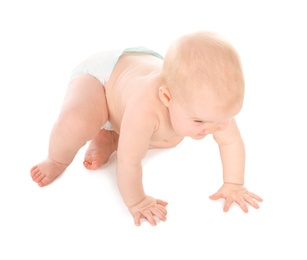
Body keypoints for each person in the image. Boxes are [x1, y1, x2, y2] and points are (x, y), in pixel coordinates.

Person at [30, 31, 263, 226]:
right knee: (78, 122)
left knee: (174, 134)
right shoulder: (145, 110)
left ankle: (112, 137)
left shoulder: (212, 106)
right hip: (102, 77)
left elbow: (231, 142)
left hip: (139, 76)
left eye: (226, 118)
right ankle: (56, 159)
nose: (214, 128)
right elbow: (129, 162)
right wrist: (137, 201)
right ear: (166, 96)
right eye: (200, 121)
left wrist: (234, 184)